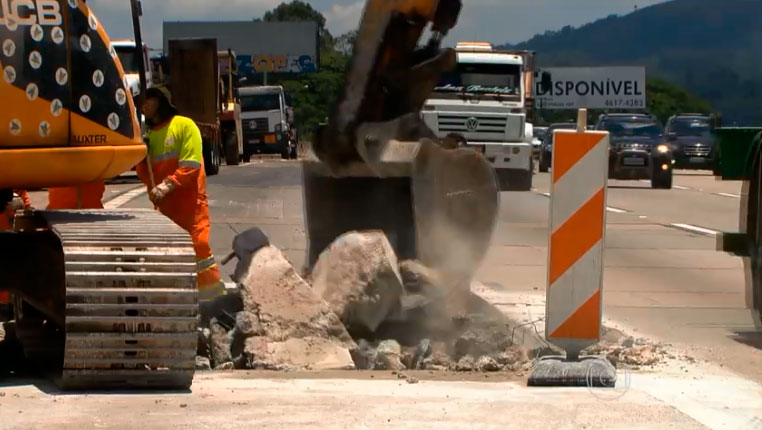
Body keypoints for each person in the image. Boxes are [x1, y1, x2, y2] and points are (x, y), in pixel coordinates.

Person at [136, 86, 226, 301]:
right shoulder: (149, 136)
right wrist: (142, 157)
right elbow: (145, 173)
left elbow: (192, 164)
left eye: (149, 100)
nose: (144, 105)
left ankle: (214, 301)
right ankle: (179, 300)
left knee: (199, 249)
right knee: (170, 256)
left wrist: (167, 185)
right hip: (166, 209)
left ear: (161, 102)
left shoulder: (184, 126)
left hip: (191, 205)